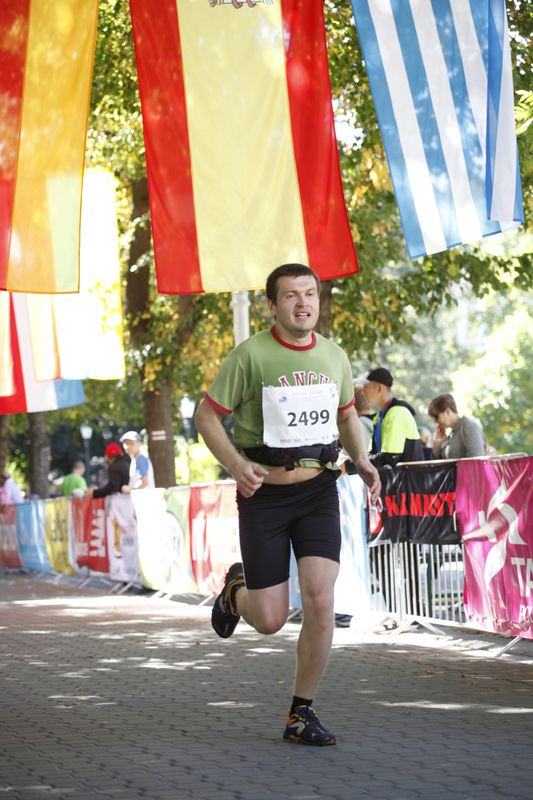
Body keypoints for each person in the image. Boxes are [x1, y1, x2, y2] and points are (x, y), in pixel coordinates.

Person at [195, 263, 380, 747]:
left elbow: (346, 416)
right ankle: (236, 592)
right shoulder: (250, 355)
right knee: (270, 620)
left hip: (318, 492)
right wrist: (237, 465)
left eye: (310, 294)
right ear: (272, 305)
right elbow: (206, 415)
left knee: (321, 599)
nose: (303, 303)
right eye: (292, 295)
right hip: (265, 498)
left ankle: (301, 713)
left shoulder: (334, 356)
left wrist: (362, 460)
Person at [362, 367, 424, 466]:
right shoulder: (379, 417)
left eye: (366, 386)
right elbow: (374, 453)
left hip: (405, 476)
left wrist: (352, 465)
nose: (363, 391)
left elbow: (390, 457)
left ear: (379, 388)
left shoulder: (396, 413)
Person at [428, 393, 485, 459]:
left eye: (436, 417)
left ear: (447, 411)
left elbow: (476, 458)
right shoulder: (452, 433)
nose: (435, 421)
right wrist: (437, 445)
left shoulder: (468, 426)